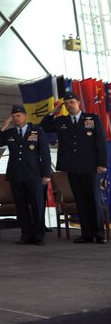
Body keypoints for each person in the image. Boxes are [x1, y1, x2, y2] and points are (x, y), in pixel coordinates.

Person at [40, 92, 108, 244]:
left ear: (78, 103)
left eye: (72, 102)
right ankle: (86, 234)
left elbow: (101, 142)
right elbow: (43, 127)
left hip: (90, 166)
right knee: (81, 201)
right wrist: (53, 112)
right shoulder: (61, 121)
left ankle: (99, 233)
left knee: (94, 200)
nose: (69, 105)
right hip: (72, 167)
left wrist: (102, 163)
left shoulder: (91, 118)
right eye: (67, 103)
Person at [0, 105, 51, 245]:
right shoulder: (10, 133)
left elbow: (45, 154)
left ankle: (38, 236)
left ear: (25, 116)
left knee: (37, 207)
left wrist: (46, 174)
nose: (15, 118)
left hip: (34, 175)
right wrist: (3, 127)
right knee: (21, 208)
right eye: (13, 116)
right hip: (16, 175)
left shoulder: (36, 131)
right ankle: (25, 235)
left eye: (18, 115)